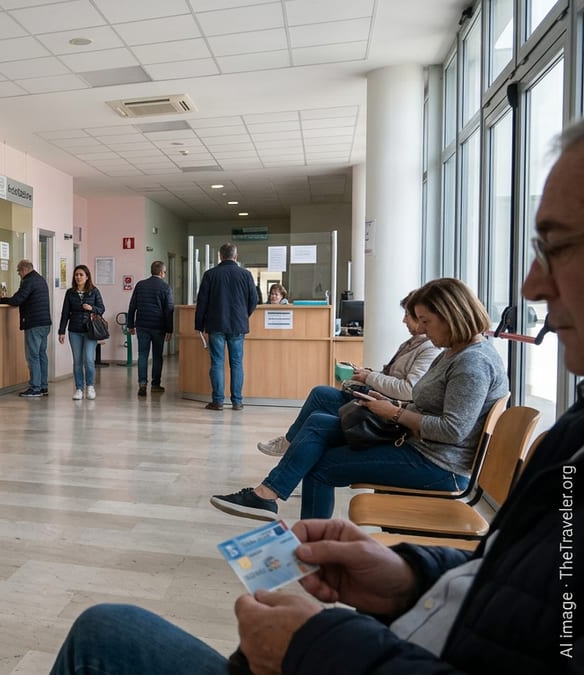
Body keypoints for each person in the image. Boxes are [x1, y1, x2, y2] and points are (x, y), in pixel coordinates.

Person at [50, 120, 584, 674]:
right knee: (317, 419)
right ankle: (277, 489)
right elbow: (502, 582)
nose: (530, 287)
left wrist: (317, 644)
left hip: (431, 470)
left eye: (558, 245)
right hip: (408, 574)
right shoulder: (562, 431)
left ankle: (271, 485)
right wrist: (410, 577)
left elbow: (446, 429)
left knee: (103, 631)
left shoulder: (471, 362)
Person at [211, 277, 507, 521]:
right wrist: (395, 407)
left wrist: (394, 413)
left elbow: (453, 430)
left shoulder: (472, 364)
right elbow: (433, 406)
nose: (424, 331)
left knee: (322, 466)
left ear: (451, 317)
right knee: (316, 422)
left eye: (427, 322)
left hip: (438, 465)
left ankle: (309, 542)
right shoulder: (455, 352)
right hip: (419, 444)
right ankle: (267, 495)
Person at [257, 291, 441, 457]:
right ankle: (294, 446)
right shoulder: (412, 343)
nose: (404, 320)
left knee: (320, 400)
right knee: (319, 404)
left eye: (407, 315)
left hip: (388, 410)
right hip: (380, 399)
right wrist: (370, 374)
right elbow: (395, 377)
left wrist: (370, 378)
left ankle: (291, 445)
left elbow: (408, 390)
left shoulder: (428, 348)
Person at [194, 243, 258, 410]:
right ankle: (237, 402)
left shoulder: (210, 275)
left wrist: (199, 324)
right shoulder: (246, 274)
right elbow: (254, 300)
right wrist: (245, 315)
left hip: (216, 325)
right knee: (236, 363)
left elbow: (202, 302)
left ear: (220, 256)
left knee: (217, 363)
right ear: (235, 256)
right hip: (238, 325)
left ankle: (218, 401)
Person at [0, 259, 51, 398]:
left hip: (34, 323)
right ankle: (43, 386)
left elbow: (17, 299)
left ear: (24, 270)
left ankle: (35, 387)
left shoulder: (28, 281)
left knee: (33, 356)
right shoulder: (40, 279)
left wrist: (3, 300)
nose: (18, 274)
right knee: (41, 354)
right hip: (45, 323)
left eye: (18, 271)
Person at [127, 260, 174, 397]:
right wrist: (169, 329)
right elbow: (169, 310)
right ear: (161, 272)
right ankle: (155, 385)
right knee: (157, 356)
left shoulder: (140, 285)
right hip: (158, 327)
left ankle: (142, 384)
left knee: (142, 355)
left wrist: (130, 324)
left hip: (142, 325)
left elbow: (132, 306)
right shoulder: (166, 287)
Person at [58, 264, 105, 401]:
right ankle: (79, 388)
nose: (78, 277)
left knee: (89, 360)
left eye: (81, 275)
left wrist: (92, 308)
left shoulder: (94, 291)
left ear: (87, 277)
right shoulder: (70, 293)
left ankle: (90, 386)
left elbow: (102, 308)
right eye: (76, 275)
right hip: (74, 330)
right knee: (77, 361)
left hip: (90, 331)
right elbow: (65, 313)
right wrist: (61, 331)